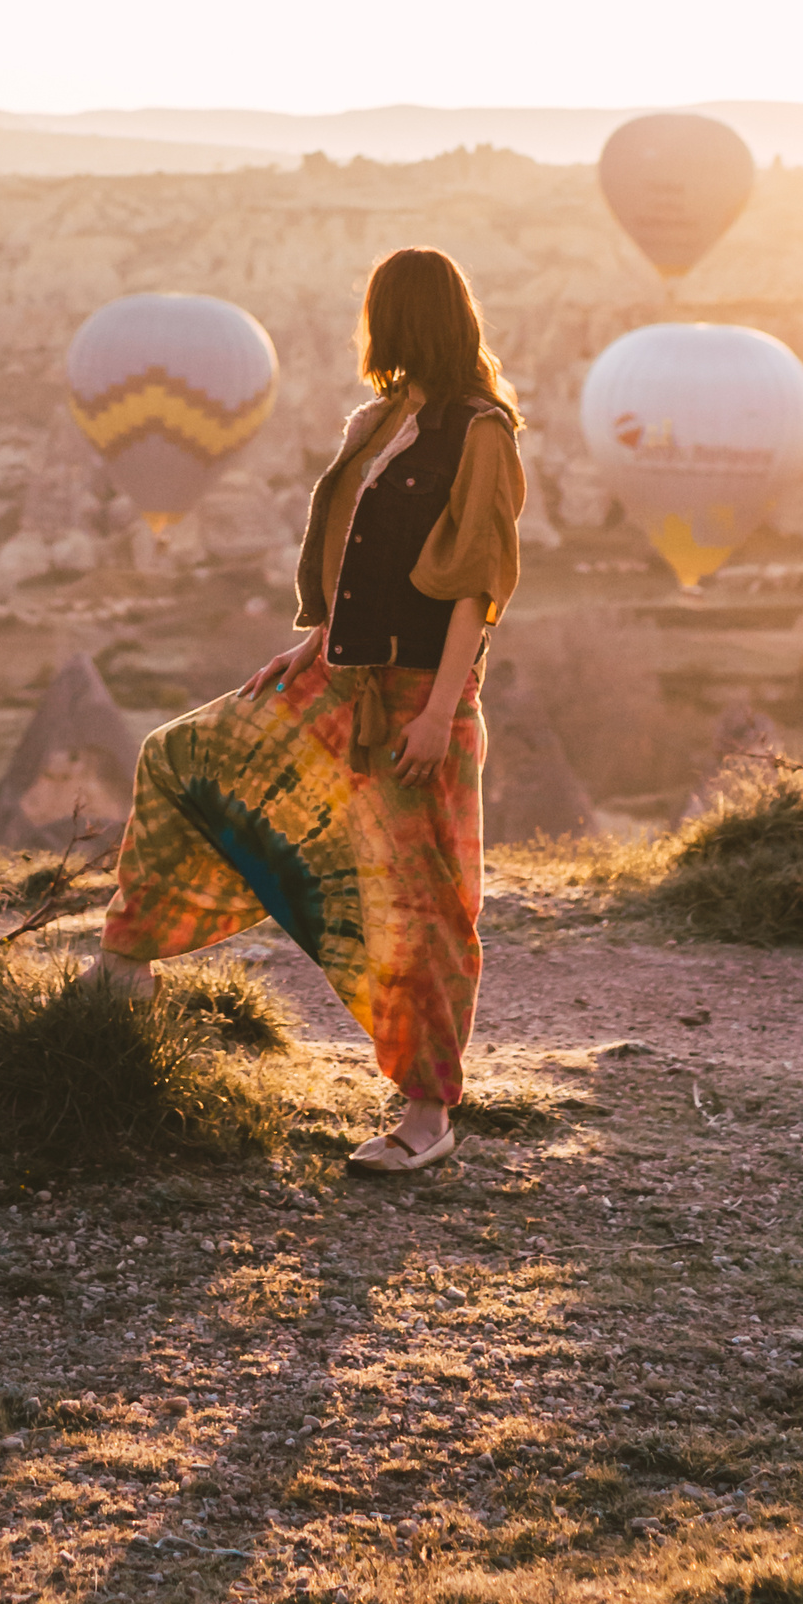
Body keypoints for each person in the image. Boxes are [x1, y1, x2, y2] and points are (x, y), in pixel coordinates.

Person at [95, 245, 525, 1173]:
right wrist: (316, 637)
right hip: (340, 673)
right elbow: (351, 547)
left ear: (412, 320)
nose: (371, 332)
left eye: (383, 315)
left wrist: (439, 711)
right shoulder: (380, 422)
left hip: (419, 696)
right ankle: (125, 967)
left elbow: (476, 589)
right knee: (182, 757)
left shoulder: (479, 432)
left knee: (425, 908)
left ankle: (426, 1114)